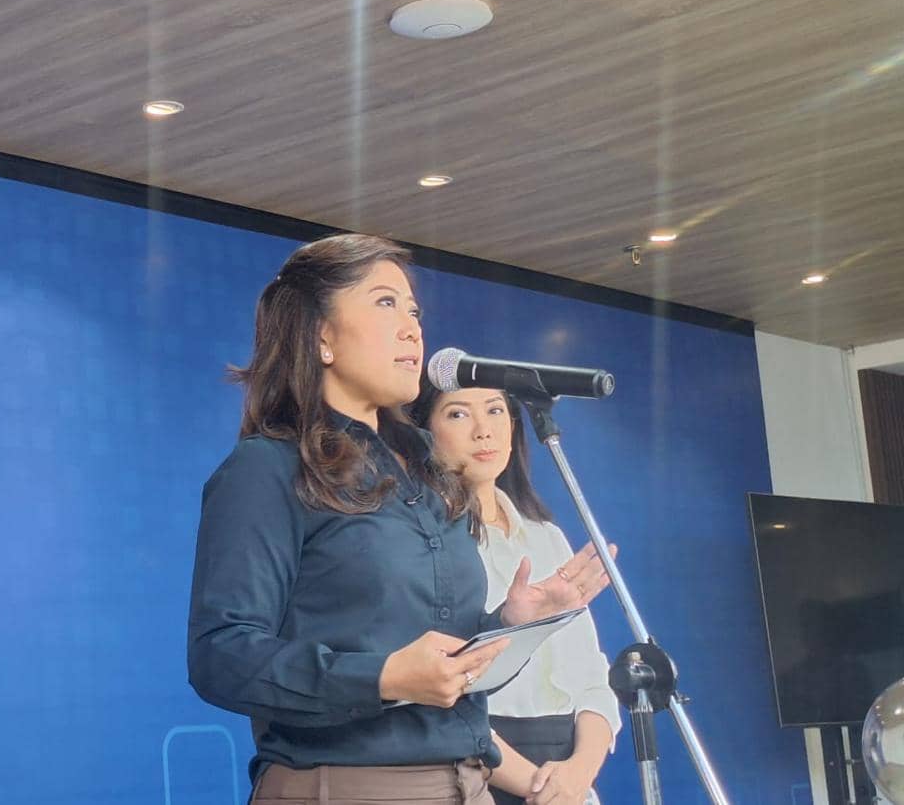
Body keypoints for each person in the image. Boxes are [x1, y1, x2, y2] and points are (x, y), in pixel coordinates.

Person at [187, 233, 609, 804]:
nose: (412, 328)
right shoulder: (269, 468)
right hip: (350, 787)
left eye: (414, 311)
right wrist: (382, 678)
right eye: (386, 303)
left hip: (469, 784)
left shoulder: (430, 473)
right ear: (322, 336)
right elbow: (222, 655)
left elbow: (446, 664)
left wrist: (512, 625)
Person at [410, 376, 621, 805]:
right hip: (473, 770)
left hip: (568, 776)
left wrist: (578, 775)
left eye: (495, 410)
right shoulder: (419, 543)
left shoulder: (546, 536)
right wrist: (540, 788)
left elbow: (590, 676)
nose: (483, 430)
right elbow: (439, 696)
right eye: (457, 414)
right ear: (423, 432)